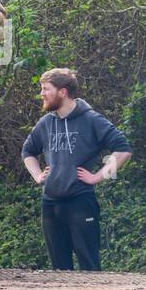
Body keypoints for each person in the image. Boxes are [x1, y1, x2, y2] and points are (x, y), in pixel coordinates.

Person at [21, 68, 131, 270]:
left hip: (80, 201)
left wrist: (98, 176)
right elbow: (27, 151)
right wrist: (37, 175)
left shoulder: (91, 119)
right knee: (59, 269)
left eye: (46, 89)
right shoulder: (46, 122)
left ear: (62, 92)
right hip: (50, 204)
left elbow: (123, 150)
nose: (42, 94)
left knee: (89, 266)